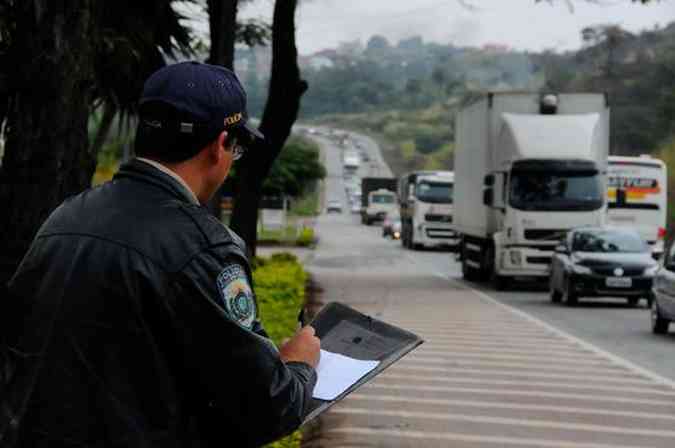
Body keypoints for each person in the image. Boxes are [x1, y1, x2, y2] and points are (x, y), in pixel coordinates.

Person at [1, 61, 320, 447]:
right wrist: (300, 363)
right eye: (237, 148)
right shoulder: (205, 247)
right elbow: (269, 408)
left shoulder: (67, 216)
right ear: (221, 145)